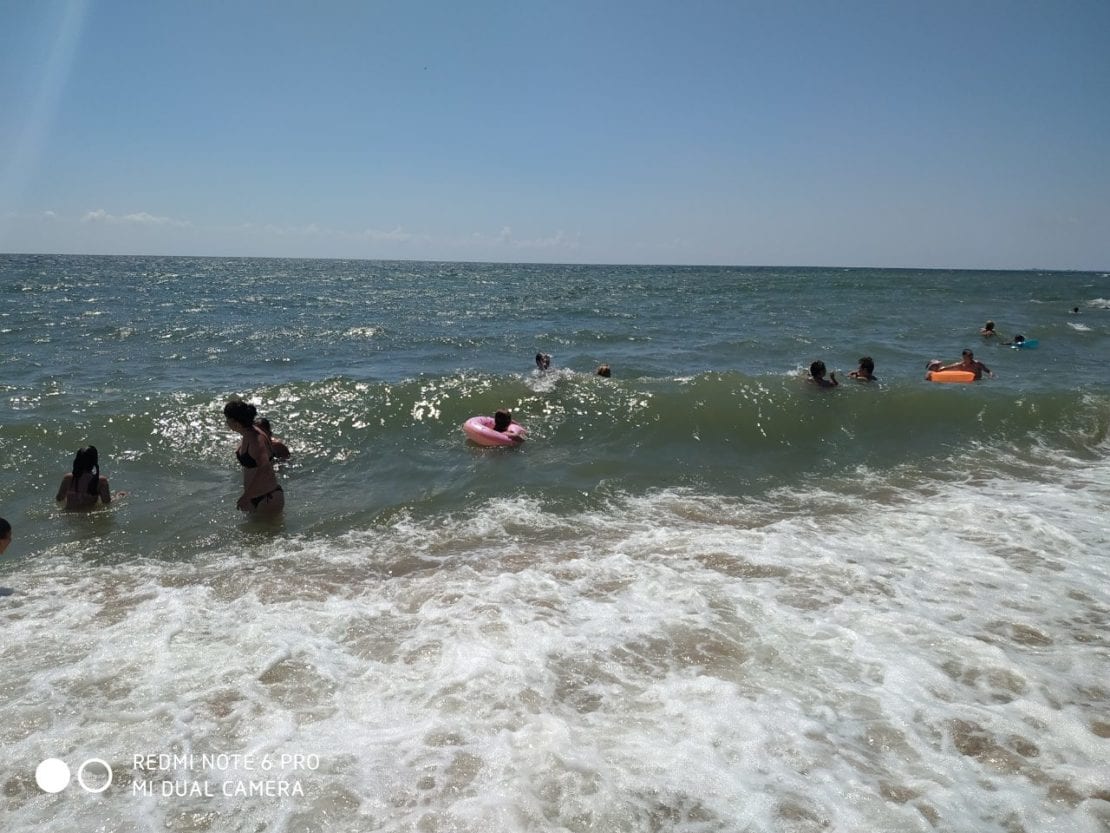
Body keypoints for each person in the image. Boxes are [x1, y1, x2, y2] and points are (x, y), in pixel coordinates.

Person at [224, 399, 284, 515]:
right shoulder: (248, 433)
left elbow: (264, 468)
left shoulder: (256, 438)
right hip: (257, 497)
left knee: (267, 533)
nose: (226, 423)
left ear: (235, 422)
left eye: (227, 419)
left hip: (267, 497)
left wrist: (246, 496)